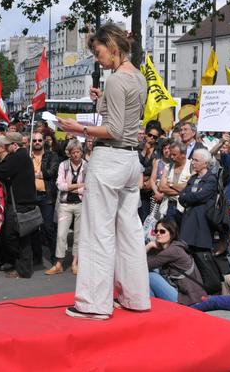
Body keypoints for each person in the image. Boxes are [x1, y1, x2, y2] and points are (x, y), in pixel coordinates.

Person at [58, 24, 150, 319]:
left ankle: (94, 304)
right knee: (130, 230)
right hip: (130, 160)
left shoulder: (116, 80)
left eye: (98, 52)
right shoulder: (138, 77)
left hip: (110, 159)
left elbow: (114, 129)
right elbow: (126, 120)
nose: (97, 59)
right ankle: (136, 297)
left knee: (98, 231)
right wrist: (102, 100)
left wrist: (78, 128)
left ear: (112, 47)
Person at [0, 132, 37, 278]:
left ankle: (23, 268)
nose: (5, 147)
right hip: (22, 202)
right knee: (21, 237)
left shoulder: (18, 157)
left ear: (14, 145)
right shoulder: (22, 156)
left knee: (14, 236)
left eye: (7, 145)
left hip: (20, 204)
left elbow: (1, 172)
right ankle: (23, 268)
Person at [46, 139, 86, 276]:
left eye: (78, 152)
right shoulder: (63, 165)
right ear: (69, 153)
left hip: (80, 203)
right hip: (65, 204)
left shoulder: (86, 166)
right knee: (61, 234)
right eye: (73, 152)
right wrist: (77, 186)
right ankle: (59, 264)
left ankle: (75, 263)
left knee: (78, 235)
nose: (76, 154)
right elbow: (60, 185)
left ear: (81, 152)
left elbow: (89, 186)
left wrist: (74, 189)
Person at [145, 219, 206, 305]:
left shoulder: (172, 251)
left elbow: (143, 265)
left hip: (187, 298)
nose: (158, 234)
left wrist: (149, 245)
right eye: (156, 231)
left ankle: (152, 304)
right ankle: (153, 304)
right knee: (153, 273)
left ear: (171, 233)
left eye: (162, 231)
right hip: (192, 295)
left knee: (150, 275)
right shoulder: (177, 245)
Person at [178, 149, 218, 252]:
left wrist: (188, 196)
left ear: (205, 164)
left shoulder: (211, 179)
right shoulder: (193, 178)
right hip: (188, 217)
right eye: (192, 159)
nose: (192, 162)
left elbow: (200, 196)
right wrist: (189, 196)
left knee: (199, 252)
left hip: (200, 221)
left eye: (196, 160)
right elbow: (181, 196)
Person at [30, 131, 59, 265]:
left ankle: (55, 257)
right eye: (34, 140)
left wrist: (35, 174)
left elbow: (51, 173)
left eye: (39, 140)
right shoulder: (28, 156)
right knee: (33, 229)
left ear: (43, 141)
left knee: (48, 228)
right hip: (31, 196)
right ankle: (37, 257)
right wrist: (38, 174)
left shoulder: (51, 155)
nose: (37, 142)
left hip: (46, 196)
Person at [159, 141, 191, 225]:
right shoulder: (168, 166)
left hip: (183, 208)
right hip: (168, 206)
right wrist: (181, 190)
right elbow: (161, 187)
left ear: (183, 155)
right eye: (171, 154)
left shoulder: (191, 166)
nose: (172, 157)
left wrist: (170, 185)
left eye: (174, 155)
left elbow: (189, 188)